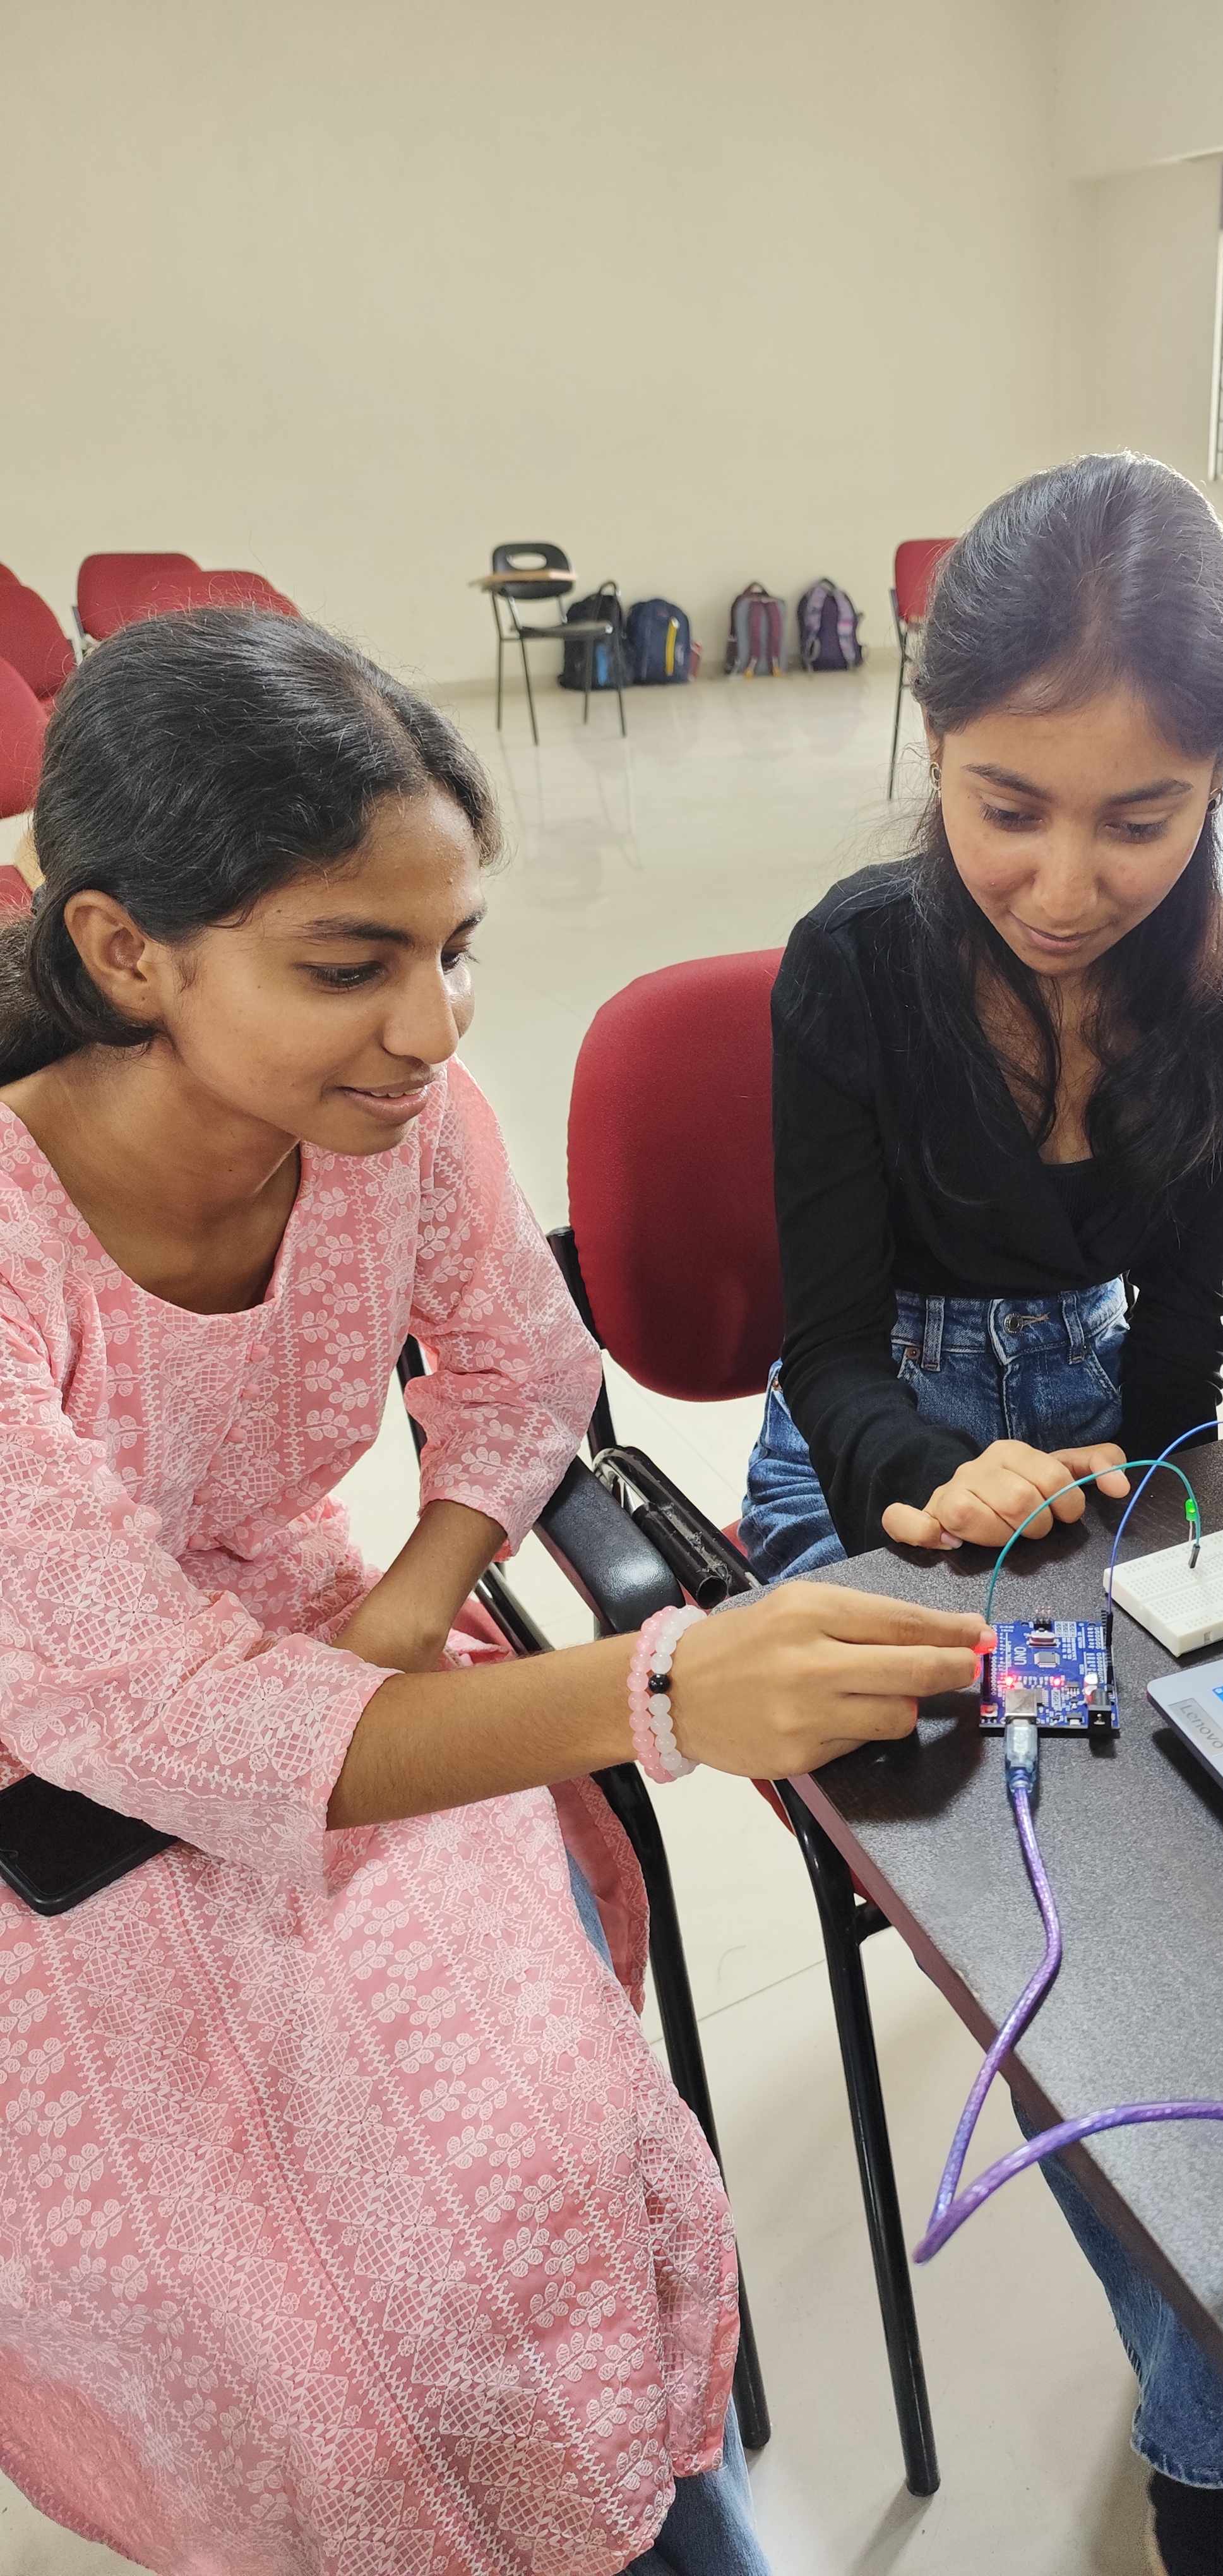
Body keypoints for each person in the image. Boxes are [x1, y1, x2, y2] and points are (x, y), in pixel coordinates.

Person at [0, 611, 986, 2576]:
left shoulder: (394, 1125)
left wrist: (402, 1607)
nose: (435, 1031)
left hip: (340, 1681)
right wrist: (661, 1694)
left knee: (564, 2159)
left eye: (452, 951)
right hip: (56, 1791)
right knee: (316, 2342)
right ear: (125, 951)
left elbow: (524, 1382)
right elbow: (145, 1714)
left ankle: (646, 2508)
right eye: (348, 966)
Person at [740, 456, 1223, 2576]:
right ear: (933, 744)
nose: (1064, 882)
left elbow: (1171, 1336)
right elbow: (824, 1359)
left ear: (1215, 785)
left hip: (1089, 1442)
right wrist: (937, 1478)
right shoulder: (855, 964)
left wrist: (1152, 1534)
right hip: (868, 1486)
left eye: (1138, 820)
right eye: (1008, 806)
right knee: (1072, 1889)